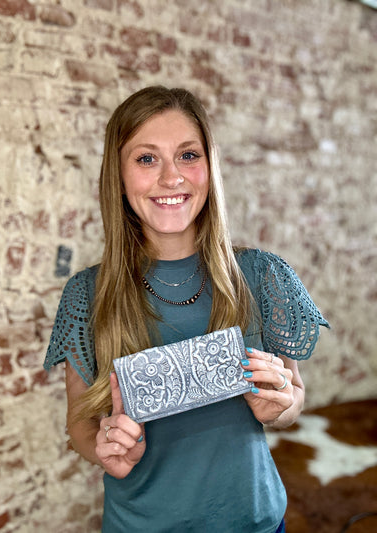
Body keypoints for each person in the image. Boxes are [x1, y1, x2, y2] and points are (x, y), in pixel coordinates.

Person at [44, 86, 329, 532]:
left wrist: (285, 406)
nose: (172, 178)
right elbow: (80, 426)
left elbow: (294, 393)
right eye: (146, 159)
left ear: (209, 168)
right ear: (118, 176)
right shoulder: (87, 295)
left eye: (188, 155)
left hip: (256, 521)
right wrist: (106, 448)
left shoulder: (262, 275)